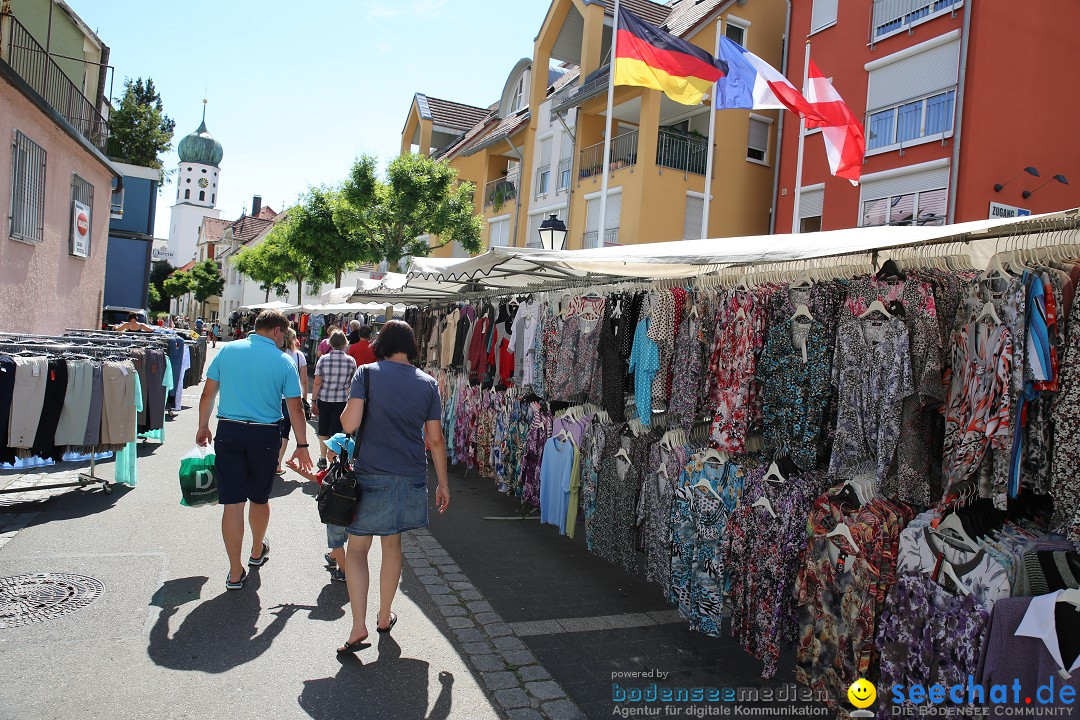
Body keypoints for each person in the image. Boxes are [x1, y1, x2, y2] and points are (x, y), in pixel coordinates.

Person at [335, 320, 450, 653]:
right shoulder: (428, 383)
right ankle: (384, 616)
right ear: (412, 346)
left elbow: (349, 423)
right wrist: (443, 484)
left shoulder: (366, 374)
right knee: (392, 548)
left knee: (357, 550)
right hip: (409, 476)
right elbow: (435, 440)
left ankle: (358, 627)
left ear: (381, 344)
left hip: (370, 474)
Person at [196, 309, 313, 591]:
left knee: (233, 502)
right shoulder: (284, 361)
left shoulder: (228, 352)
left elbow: (207, 393)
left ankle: (235, 571)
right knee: (259, 498)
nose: (284, 338)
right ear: (276, 331)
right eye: (284, 333)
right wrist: (302, 444)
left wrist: (202, 426)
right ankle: (256, 550)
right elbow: (295, 407)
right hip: (264, 434)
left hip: (229, 430)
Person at [286, 433, 353, 583]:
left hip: (335, 513)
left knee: (336, 542)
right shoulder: (351, 470)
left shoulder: (334, 471)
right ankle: (332, 557)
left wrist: (297, 469)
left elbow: (313, 477)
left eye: (330, 450)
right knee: (339, 539)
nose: (327, 452)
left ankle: (343, 571)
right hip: (349, 514)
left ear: (338, 454)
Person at [311, 331, 356, 470]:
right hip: (342, 400)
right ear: (344, 343)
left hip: (324, 398)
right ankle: (334, 460)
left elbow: (317, 382)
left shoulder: (323, 359)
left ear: (330, 342)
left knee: (323, 428)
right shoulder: (351, 360)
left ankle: (323, 457)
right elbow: (353, 383)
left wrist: (313, 400)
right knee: (336, 430)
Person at [276, 328, 309, 475]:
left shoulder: (277, 354)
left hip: (276, 396)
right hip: (292, 398)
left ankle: (270, 461)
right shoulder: (298, 356)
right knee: (285, 432)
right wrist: (305, 397)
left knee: (274, 429)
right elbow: (304, 380)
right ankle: (277, 463)